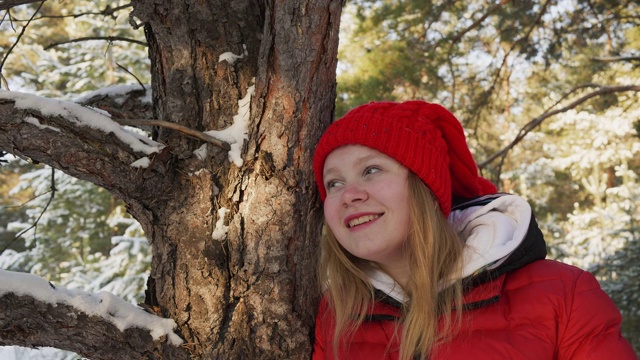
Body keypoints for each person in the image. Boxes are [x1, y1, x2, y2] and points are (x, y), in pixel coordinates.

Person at [311, 100, 637, 360]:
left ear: (425, 187)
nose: (349, 195)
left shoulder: (563, 295)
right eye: (334, 182)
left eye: (371, 170)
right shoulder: (336, 316)